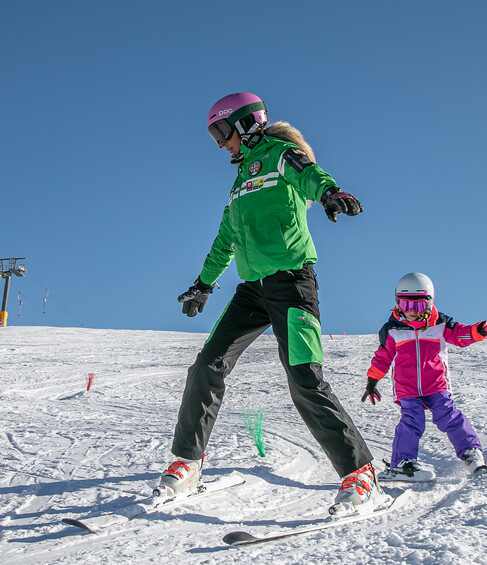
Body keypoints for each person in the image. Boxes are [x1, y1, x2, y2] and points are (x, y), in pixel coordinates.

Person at [159, 92, 383, 518]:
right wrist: (203, 285)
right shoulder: (240, 180)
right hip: (252, 291)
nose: (220, 144)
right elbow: (225, 240)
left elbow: (311, 174)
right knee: (207, 365)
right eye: (215, 137)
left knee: (304, 378)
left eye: (222, 133)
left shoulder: (282, 156)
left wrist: (332, 193)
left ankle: (361, 474)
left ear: (245, 125)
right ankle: (188, 464)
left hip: (292, 283)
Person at [362, 273, 487, 477]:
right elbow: (382, 357)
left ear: (430, 302)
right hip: (407, 389)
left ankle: (471, 452)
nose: (412, 312)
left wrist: (477, 332)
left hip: (436, 384)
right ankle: (402, 463)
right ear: (397, 302)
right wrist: (372, 381)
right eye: (407, 305)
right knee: (412, 420)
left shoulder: (440, 324)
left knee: (449, 415)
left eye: (419, 306)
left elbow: (460, 335)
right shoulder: (392, 330)